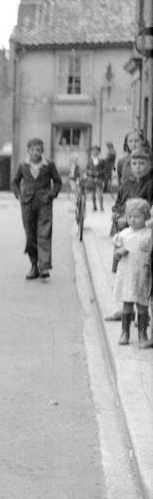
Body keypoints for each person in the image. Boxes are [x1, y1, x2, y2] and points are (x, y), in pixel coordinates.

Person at [105, 147, 153, 322]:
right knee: (124, 273)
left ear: (150, 165)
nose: (137, 167)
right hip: (125, 235)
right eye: (134, 163)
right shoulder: (127, 183)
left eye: (142, 163)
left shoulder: (151, 184)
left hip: (144, 236)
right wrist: (117, 214)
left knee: (143, 277)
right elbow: (118, 202)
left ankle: (143, 314)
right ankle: (125, 310)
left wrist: (140, 223)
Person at [11, 137, 62, 280]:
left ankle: (44, 267)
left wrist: (51, 195)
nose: (35, 153)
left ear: (42, 151)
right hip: (27, 203)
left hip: (44, 203)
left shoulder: (49, 165)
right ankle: (34, 265)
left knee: (44, 233)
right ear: (28, 151)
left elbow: (57, 182)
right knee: (30, 236)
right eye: (33, 150)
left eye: (38, 150)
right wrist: (19, 196)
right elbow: (14, 183)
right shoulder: (22, 165)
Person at [111, 198, 153, 348]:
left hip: (142, 274)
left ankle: (143, 334)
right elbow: (116, 249)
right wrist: (119, 252)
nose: (133, 220)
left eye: (137, 217)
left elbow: (146, 247)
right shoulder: (124, 234)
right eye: (130, 217)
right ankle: (125, 333)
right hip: (127, 274)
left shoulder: (148, 234)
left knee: (142, 305)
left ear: (146, 217)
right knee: (127, 304)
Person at [85, 145, 105, 211]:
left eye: (96, 151)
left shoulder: (102, 160)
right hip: (91, 178)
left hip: (99, 178)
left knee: (100, 193)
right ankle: (94, 207)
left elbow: (105, 169)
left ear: (98, 152)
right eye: (93, 151)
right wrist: (89, 172)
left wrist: (99, 172)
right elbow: (87, 169)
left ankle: (101, 207)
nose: (94, 152)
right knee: (93, 193)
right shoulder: (90, 160)